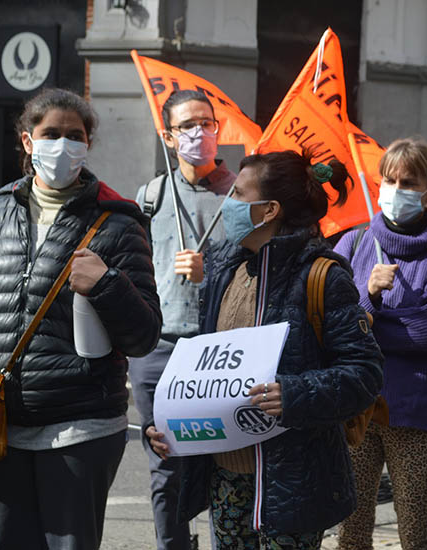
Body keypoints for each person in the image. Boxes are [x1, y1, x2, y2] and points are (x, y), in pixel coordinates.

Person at [146, 149, 384, 550]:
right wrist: (169, 426)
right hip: (226, 483)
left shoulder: (322, 276)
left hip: (291, 484)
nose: (228, 204)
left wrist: (293, 394)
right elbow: (204, 368)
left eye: (238, 194)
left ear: (269, 209)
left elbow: (364, 374)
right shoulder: (225, 270)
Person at [0, 88, 161, 549]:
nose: (63, 145)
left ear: (87, 144)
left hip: (79, 428)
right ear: (28, 141)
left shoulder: (117, 222)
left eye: (75, 135)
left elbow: (144, 334)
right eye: (50, 133)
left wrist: (107, 283)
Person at [333, 138, 427, 550]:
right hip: (356, 405)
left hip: (417, 410)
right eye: (389, 180)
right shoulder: (352, 244)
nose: (396, 190)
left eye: (408, 182)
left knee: (416, 530)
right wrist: (367, 298)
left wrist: (363, 322)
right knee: (349, 528)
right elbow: (328, 323)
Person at [130, 89, 237, 550]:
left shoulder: (238, 194)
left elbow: (250, 273)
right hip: (158, 349)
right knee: (165, 467)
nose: (200, 133)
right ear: (168, 136)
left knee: (222, 464)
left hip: (217, 351)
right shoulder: (151, 196)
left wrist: (208, 270)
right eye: (188, 126)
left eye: (207, 124)